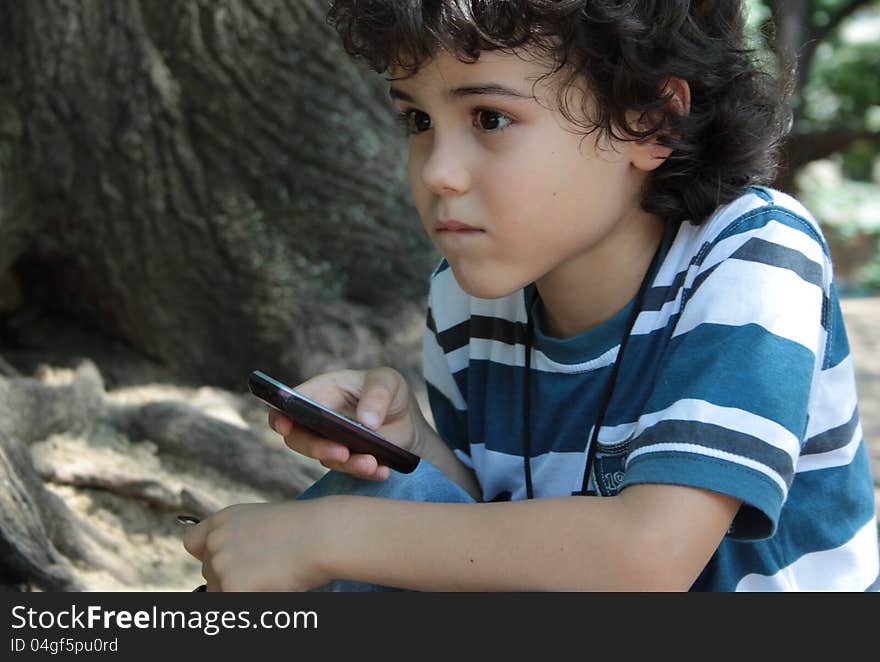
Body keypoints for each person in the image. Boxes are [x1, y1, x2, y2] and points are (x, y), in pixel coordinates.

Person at [183, 0, 879, 591]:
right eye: (418, 121)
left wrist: (324, 536)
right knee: (378, 492)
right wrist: (414, 449)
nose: (441, 174)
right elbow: (495, 534)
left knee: (352, 525)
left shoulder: (753, 251)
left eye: (489, 118)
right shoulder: (472, 293)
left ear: (650, 120)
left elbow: (648, 556)